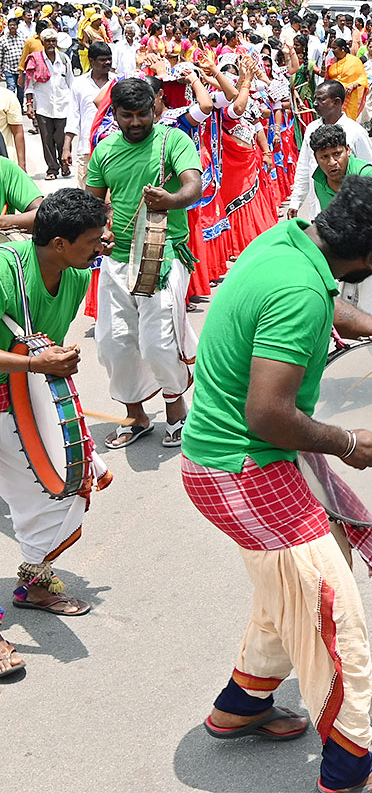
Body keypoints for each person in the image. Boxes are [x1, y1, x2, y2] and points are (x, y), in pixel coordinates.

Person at [181, 173, 372, 793]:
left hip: (240, 461)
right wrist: (350, 442)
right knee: (333, 613)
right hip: (243, 467)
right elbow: (268, 413)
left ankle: (242, 704)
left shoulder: (287, 242)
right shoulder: (299, 286)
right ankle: (349, 767)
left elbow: (330, 302)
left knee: (299, 586)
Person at [0, 189, 114, 679]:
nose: (103, 243)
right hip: (14, 384)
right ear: (62, 243)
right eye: (93, 239)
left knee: (53, 490)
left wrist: (43, 367)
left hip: (14, 400)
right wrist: (34, 362)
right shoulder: (6, 271)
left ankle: (32, 582)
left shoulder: (71, 270)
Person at [85, 77, 202, 448]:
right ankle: (135, 416)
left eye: (142, 114)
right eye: (127, 115)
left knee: (156, 342)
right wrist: (98, 230)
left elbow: (193, 187)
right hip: (117, 260)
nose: (135, 122)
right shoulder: (104, 151)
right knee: (114, 342)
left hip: (163, 256)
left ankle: (175, 409)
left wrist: (169, 200)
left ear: (155, 109)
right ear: (114, 114)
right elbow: (92, 204)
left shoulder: (174, 140)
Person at [305, 123, 372, 326]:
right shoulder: (319, 181)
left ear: (348, 150)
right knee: (353, 327)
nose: (332, 163)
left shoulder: (368, 177)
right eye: (324, 157)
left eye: (337, 154)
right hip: (348, 263)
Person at [288, 81, 372, 219]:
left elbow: (370, 172)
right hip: (318, 210)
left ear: (336, 102)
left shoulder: (355, 132)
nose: (315, 104)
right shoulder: (311, 129)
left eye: (321, 99)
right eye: (315, 99)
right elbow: (304, 166)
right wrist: (296, 201)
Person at [62, 42, 114, 189]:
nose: (107, 62)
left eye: (109, 59)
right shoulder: (79, 84)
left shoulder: (117, 82)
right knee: (86, 196)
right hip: (87, 149)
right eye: (103, 59)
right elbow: (73, 117)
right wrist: (66, 147)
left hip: (114, 148)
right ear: (91, 60)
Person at [24, 28, 72, 181]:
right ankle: (52, 168)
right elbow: (29, 84)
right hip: (43, 106)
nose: (51, 44)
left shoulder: (64, 59)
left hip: (63, 105)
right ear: (43, 43)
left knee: (62, 137)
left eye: (54, 41)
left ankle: (65, 163)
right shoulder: (35, 60)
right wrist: (29, 105)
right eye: (48, 41)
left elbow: (71, 83)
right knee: (46, 138)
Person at [324, 38, 368, 121]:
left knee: (348, 121)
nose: (332, 50)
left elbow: (362, 79)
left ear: (343, 49)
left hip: (349, 96)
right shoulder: (330, 61)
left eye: (335, 48)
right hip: (333, 96)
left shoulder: (354, 61)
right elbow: (326, 79)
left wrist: (353, 85)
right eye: (331, 48)